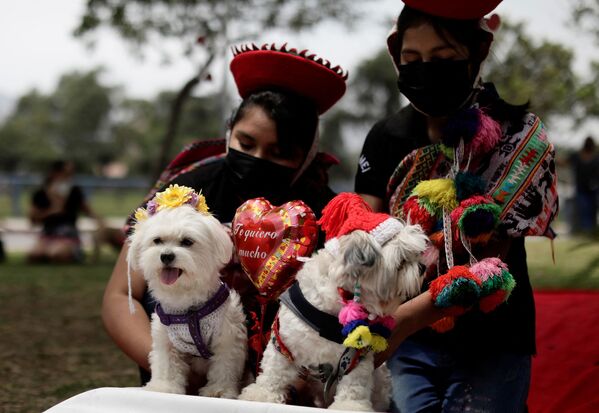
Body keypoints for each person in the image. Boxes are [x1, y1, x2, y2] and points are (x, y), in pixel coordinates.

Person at [101, 43, 348, 388]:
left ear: (306, 156)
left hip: (287, 384)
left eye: (279, 153)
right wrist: (172, 372)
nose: (257, 158)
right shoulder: (184, 192)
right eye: (246, 144)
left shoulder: (327, 212)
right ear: (229, 132)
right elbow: (120, 295)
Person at [355, 1, 558, 412]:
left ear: (477, 54)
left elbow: (485, 262)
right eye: (412, 59)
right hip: (406, 342)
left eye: (444, 59)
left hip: (492, 338)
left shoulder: (518, 138)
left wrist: (402, 324)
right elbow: (362, 237)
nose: (425, 69)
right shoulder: (385, 137)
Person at [28, 160, 101, 263]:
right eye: (66, 173)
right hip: (48, 233)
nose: (69, 177)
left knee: (56, 254)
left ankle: (74, 253)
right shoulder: (40, 194)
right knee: (35, 255)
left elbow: (89, 211)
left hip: (67, 234)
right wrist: (51, 211)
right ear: (55, 173)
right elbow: (33, 220)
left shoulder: (74, 191)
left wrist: (101, 223)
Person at [569, 136, 599, 234]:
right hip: (581, 189)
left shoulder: (596, 158)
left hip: (593, 189)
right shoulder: (577, 156)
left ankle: (590, 230)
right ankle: (586, 230)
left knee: (592, 210)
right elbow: (564, 162)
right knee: (584, 209)